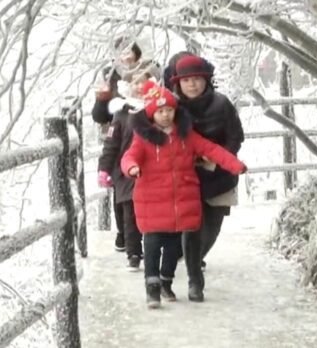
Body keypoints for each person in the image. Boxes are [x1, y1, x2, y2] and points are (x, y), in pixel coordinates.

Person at [120, 80, 246, 309]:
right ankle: (152, 289)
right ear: (151, 113)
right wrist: (131, 168)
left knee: (171, 248)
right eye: (160, 111)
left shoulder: (187, 136)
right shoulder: (144, 138)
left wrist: (234, 164)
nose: (165, 115)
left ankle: (166, 282)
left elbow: (211, 149)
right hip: (152, 205)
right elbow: (129, 156)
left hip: (178, 204)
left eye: (169, 110)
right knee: (151, 247)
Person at [166, 52, 245, 301]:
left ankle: (195, 259)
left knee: (210, 230)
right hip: (187, 179)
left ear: (206, 80)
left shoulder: (222, 104)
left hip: (219, 177)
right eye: (187, 80)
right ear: (178, 82)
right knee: (190, 230)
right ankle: (194, 283)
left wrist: (220, 157)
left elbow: (236, 137)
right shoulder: (171, 109)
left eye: (197, 79)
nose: (192, 84)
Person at [95, 61, 162, 271]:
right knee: (130, 214)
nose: (138, 86)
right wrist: (104, 168)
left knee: (153, 213)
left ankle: (157, 248)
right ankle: (134, 253)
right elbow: (111, 143)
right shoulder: (121, 113)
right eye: (134, 82)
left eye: (142, 81)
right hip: (126, 171)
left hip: (154, 169)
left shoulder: (159, 109)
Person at [91, 37, 143, 253]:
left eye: (129, 51)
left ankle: (139, 236)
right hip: (117, 140)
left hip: (141, 136)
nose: (125, 56)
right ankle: (124, 233)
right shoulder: (109, 76)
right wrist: (103, 99)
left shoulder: (148, 73)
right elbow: (99, 116)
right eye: (121, 52)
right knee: (120, 191)